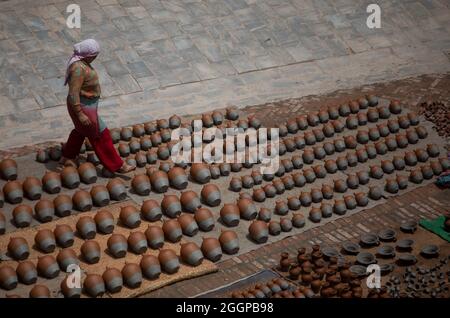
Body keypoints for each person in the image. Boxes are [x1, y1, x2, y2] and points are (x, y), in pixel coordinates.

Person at [60, 39, 135, 173]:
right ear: (88, 56)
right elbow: (73, 93)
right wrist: (80, 113)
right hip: (82, 107)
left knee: (81, 130)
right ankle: (117, 165)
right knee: (100, 134)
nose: (95, 58)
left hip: (88, 105)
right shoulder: (78, 68)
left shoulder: (82, 64)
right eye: (95, 56)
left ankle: (67, 156)